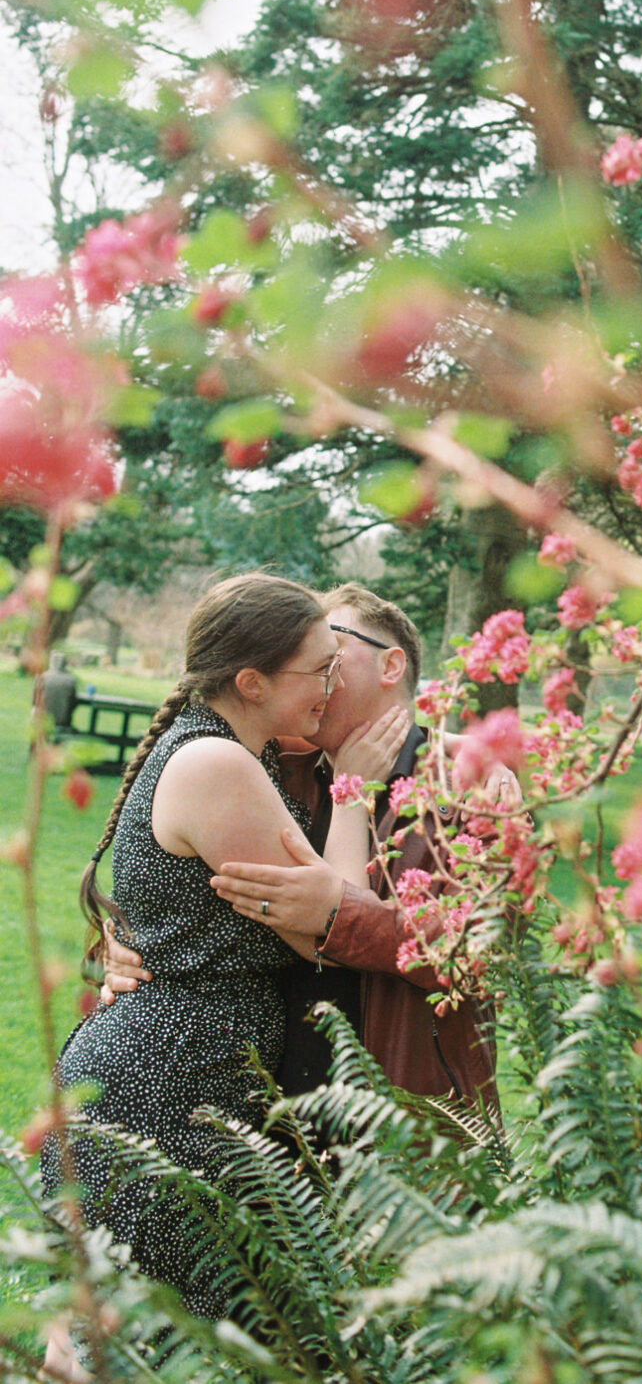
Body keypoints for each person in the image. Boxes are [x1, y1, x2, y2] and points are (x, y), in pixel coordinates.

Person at [43, 573, 408, 1345]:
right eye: (319, 667)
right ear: (251, 681)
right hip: (166, 1089)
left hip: (189, 1074)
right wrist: (354, 795)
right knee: (135, 1336)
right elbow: (322, 921)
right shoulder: (220, 765)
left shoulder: (239, 754)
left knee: (125, 1332)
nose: (332, 682)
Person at [103, 583, 502, 1116]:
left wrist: (344, 917)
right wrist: (121, 946)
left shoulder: (475, 791)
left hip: (410, 1116)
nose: (326, 671)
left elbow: (485, 953)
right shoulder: (268, 763)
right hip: (262, 1119)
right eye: (314, 661)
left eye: (333, 651)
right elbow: (169, 886)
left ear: (390, 667)